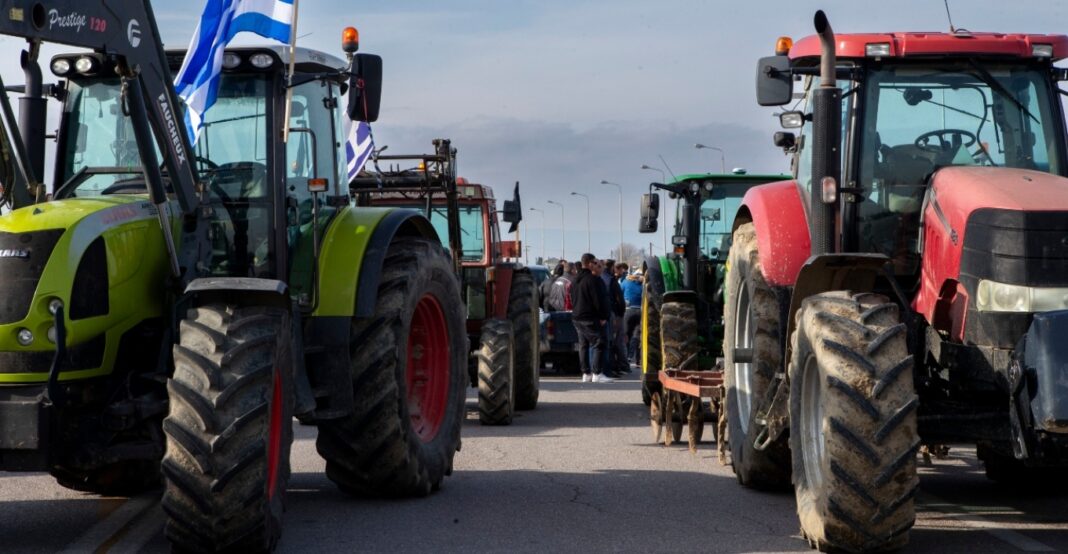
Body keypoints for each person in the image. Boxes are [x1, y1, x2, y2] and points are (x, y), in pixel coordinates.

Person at [570, 253, 614, 383]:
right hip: (590, 317)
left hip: (577, 317)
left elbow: (573, 298)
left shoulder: (575, 280)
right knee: (599, 342)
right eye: (595, 263)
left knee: (583, 345)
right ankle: (597, 373)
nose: (597, 265)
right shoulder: (593, 280)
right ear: (589, 264)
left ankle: (586, 373)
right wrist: (604, 316)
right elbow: (599, 300)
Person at [601, 259, 628, 375]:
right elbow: (620, 300)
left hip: (603, 313)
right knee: (615, 341)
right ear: (612, 268)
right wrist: (620, 314)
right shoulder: (611, 280)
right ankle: (616, 366)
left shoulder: (600, 278)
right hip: (613, 313)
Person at [621, 269, 643, 363]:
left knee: (626, 335)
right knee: (638, 336)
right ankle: (638, 360)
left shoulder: (625, 282)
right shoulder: (643, 284)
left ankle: (626, 358)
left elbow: (619, 294)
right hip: (640, 311)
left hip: (628, 311)